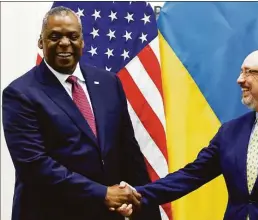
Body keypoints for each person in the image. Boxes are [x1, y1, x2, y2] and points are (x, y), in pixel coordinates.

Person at [117, 49, 258, 220]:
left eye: (249, 72)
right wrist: (139, 194)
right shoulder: (231, 132)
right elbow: (190, 175)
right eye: (241, 72)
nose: (240, 80)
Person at [2, 6, 161, 220]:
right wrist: (102, 194)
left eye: (72, 36)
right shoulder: (20, 94)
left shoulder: (108, 82)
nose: (65, 43)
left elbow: (128, 150)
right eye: (55, 36)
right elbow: (34, 166)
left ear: (82, 42)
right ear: (41, 42)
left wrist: (143, 206)